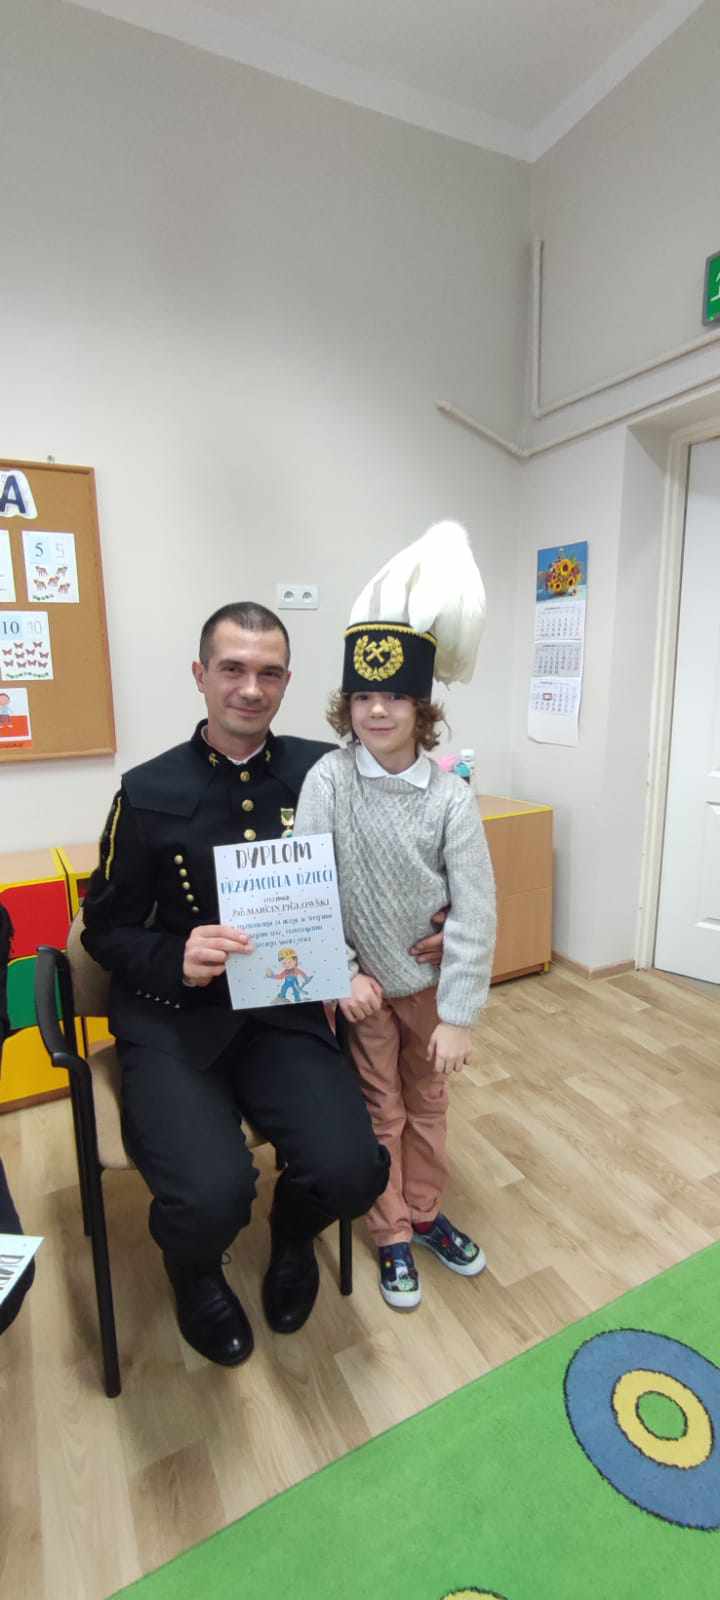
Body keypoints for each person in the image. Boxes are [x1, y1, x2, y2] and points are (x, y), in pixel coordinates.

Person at [82, 602, 442, 1367]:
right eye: (233, 669)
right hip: (175, 1019)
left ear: (286, 681)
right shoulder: (146, 790)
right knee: (209, 1195)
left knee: (353, 1171)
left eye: (269, 672)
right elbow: (104, 929)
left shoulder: (327, 772)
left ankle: (292, 1233)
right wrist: (174, 954)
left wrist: (443, 913)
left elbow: (395, 861)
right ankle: (193, 1268)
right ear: (200, 675)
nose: (251, 688)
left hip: (282, 1009)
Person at [294, 523, 496, 1310]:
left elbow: (476, 905)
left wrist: (461, 1013)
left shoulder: (450, 798)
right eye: (363, 697)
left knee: (429, 1104)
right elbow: (308, 885)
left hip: (429, 989)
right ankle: (391, 1234)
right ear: (347, 704)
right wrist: (342, 973)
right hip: (364, 992)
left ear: (422, 707)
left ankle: (426, 1210)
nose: (377, 710)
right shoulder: (327, 781)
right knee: (380, 1110)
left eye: (394, 697)